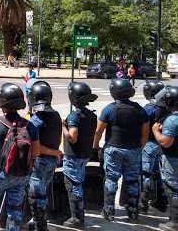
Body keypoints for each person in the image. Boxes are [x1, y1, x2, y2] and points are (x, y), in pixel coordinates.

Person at [0, 83, 39, 231]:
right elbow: (36, 152)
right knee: (14, 210)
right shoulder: (30, 126)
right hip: (21, 175)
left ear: (2, 102)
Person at [93, 78, 149, 222]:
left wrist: (95, 145)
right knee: (132, 181)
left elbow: (98, 131)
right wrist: (140, 147)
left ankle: (109, 211)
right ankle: (133, 212)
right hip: (133, 149)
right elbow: (145, 131)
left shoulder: (110, 109)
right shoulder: (140, 110)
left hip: (113, 149)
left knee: (111, 179)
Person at [61, 82, 98, 228]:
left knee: (73, 185)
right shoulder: (91, 115)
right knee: (78, 183)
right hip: (84, 155)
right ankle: (79, 215)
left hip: (73, 156)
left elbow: (72, 137)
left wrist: (63, 126)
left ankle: (76, 218)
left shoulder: (74, 116)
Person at [27, 82, 62, 231]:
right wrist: (55, 153)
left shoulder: (37, 119)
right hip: (51, 162)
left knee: (36, 195)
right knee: (43, 192)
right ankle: (38, 222)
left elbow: (34, 146)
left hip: (40, 161)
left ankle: (40, 225)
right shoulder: (56, 115)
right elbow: (57, 139)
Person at [152, 86, 178, 231]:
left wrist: (156, 131)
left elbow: (165, 142)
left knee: (173, 189)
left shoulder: (172, 120)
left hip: (172, 159)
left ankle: (174, 222)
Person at [141, 80, 168, 214]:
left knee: (145, 173)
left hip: (149, 143)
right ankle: (160, 201)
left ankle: (143, 202)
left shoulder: (149, 109)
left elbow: (142, 127)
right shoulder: (166, 107)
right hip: (161, 144)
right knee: (157, 172)